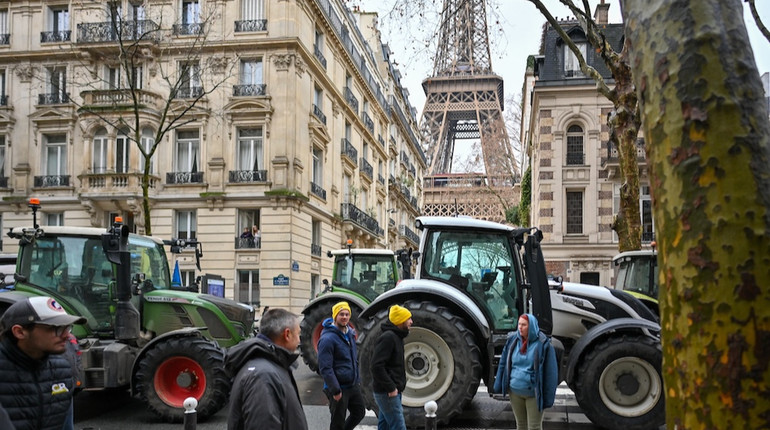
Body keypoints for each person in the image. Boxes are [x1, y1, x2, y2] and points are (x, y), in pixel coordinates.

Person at [0, 296, 86, 430]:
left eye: (67, 328)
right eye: (55, 328)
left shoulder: (62, 370)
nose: (66, 335)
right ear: (19, 332)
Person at [225, 308, 308, 430]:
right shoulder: (263, 376)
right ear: (287, 334)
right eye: (298, 334)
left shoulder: (269, 365)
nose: (299, 340)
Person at [492, 313, 558, 430]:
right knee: (521, 426)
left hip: (533, 394)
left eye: (524, 325)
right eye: (519, 324)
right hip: (515, 392)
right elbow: (503, 362)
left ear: (531, 326)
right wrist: (498, 385)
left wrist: (548, 398)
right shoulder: (513, 340)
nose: (520, 328)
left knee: (534, 427)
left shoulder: (543, 344)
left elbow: (551, 374)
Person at [318, 301, 365, 430]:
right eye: (341, 314)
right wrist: (335, 390)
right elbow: (325, 368)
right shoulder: (327, 339)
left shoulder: (349, 333)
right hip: (338, 388)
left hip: (352, 385)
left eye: (347, 314)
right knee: (337, 422)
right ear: (335, 316)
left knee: (359, 412)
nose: (344, 317)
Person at [370, 304, 413, 430]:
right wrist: (391, 388)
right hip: (387, 392)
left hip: (390, 391)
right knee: (398, 426)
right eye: (408, 319)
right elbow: (376, 366)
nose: (411, 321)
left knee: (385, 426)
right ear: (400, 321)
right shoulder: (389, 337)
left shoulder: (397, 336)